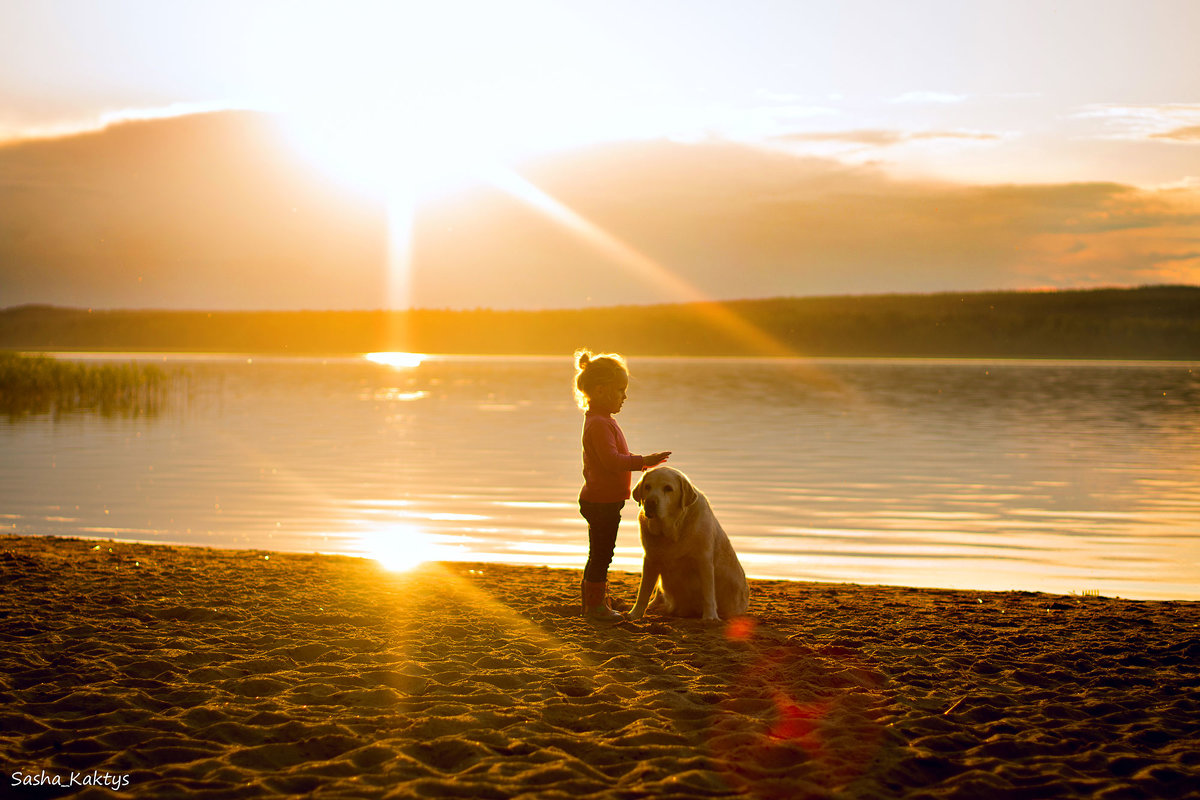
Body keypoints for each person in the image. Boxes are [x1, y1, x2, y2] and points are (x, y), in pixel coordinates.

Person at [574, 350, 670, 622]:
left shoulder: (601, 420)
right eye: (620, 390)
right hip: (600, 502)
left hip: (604, 500)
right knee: (602, 554)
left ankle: (593, 601)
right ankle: (594, 607)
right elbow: (611, 461)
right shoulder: (599, 425)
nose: (624, 396)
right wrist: (645, 461)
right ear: (601, 390)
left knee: (601, 552)